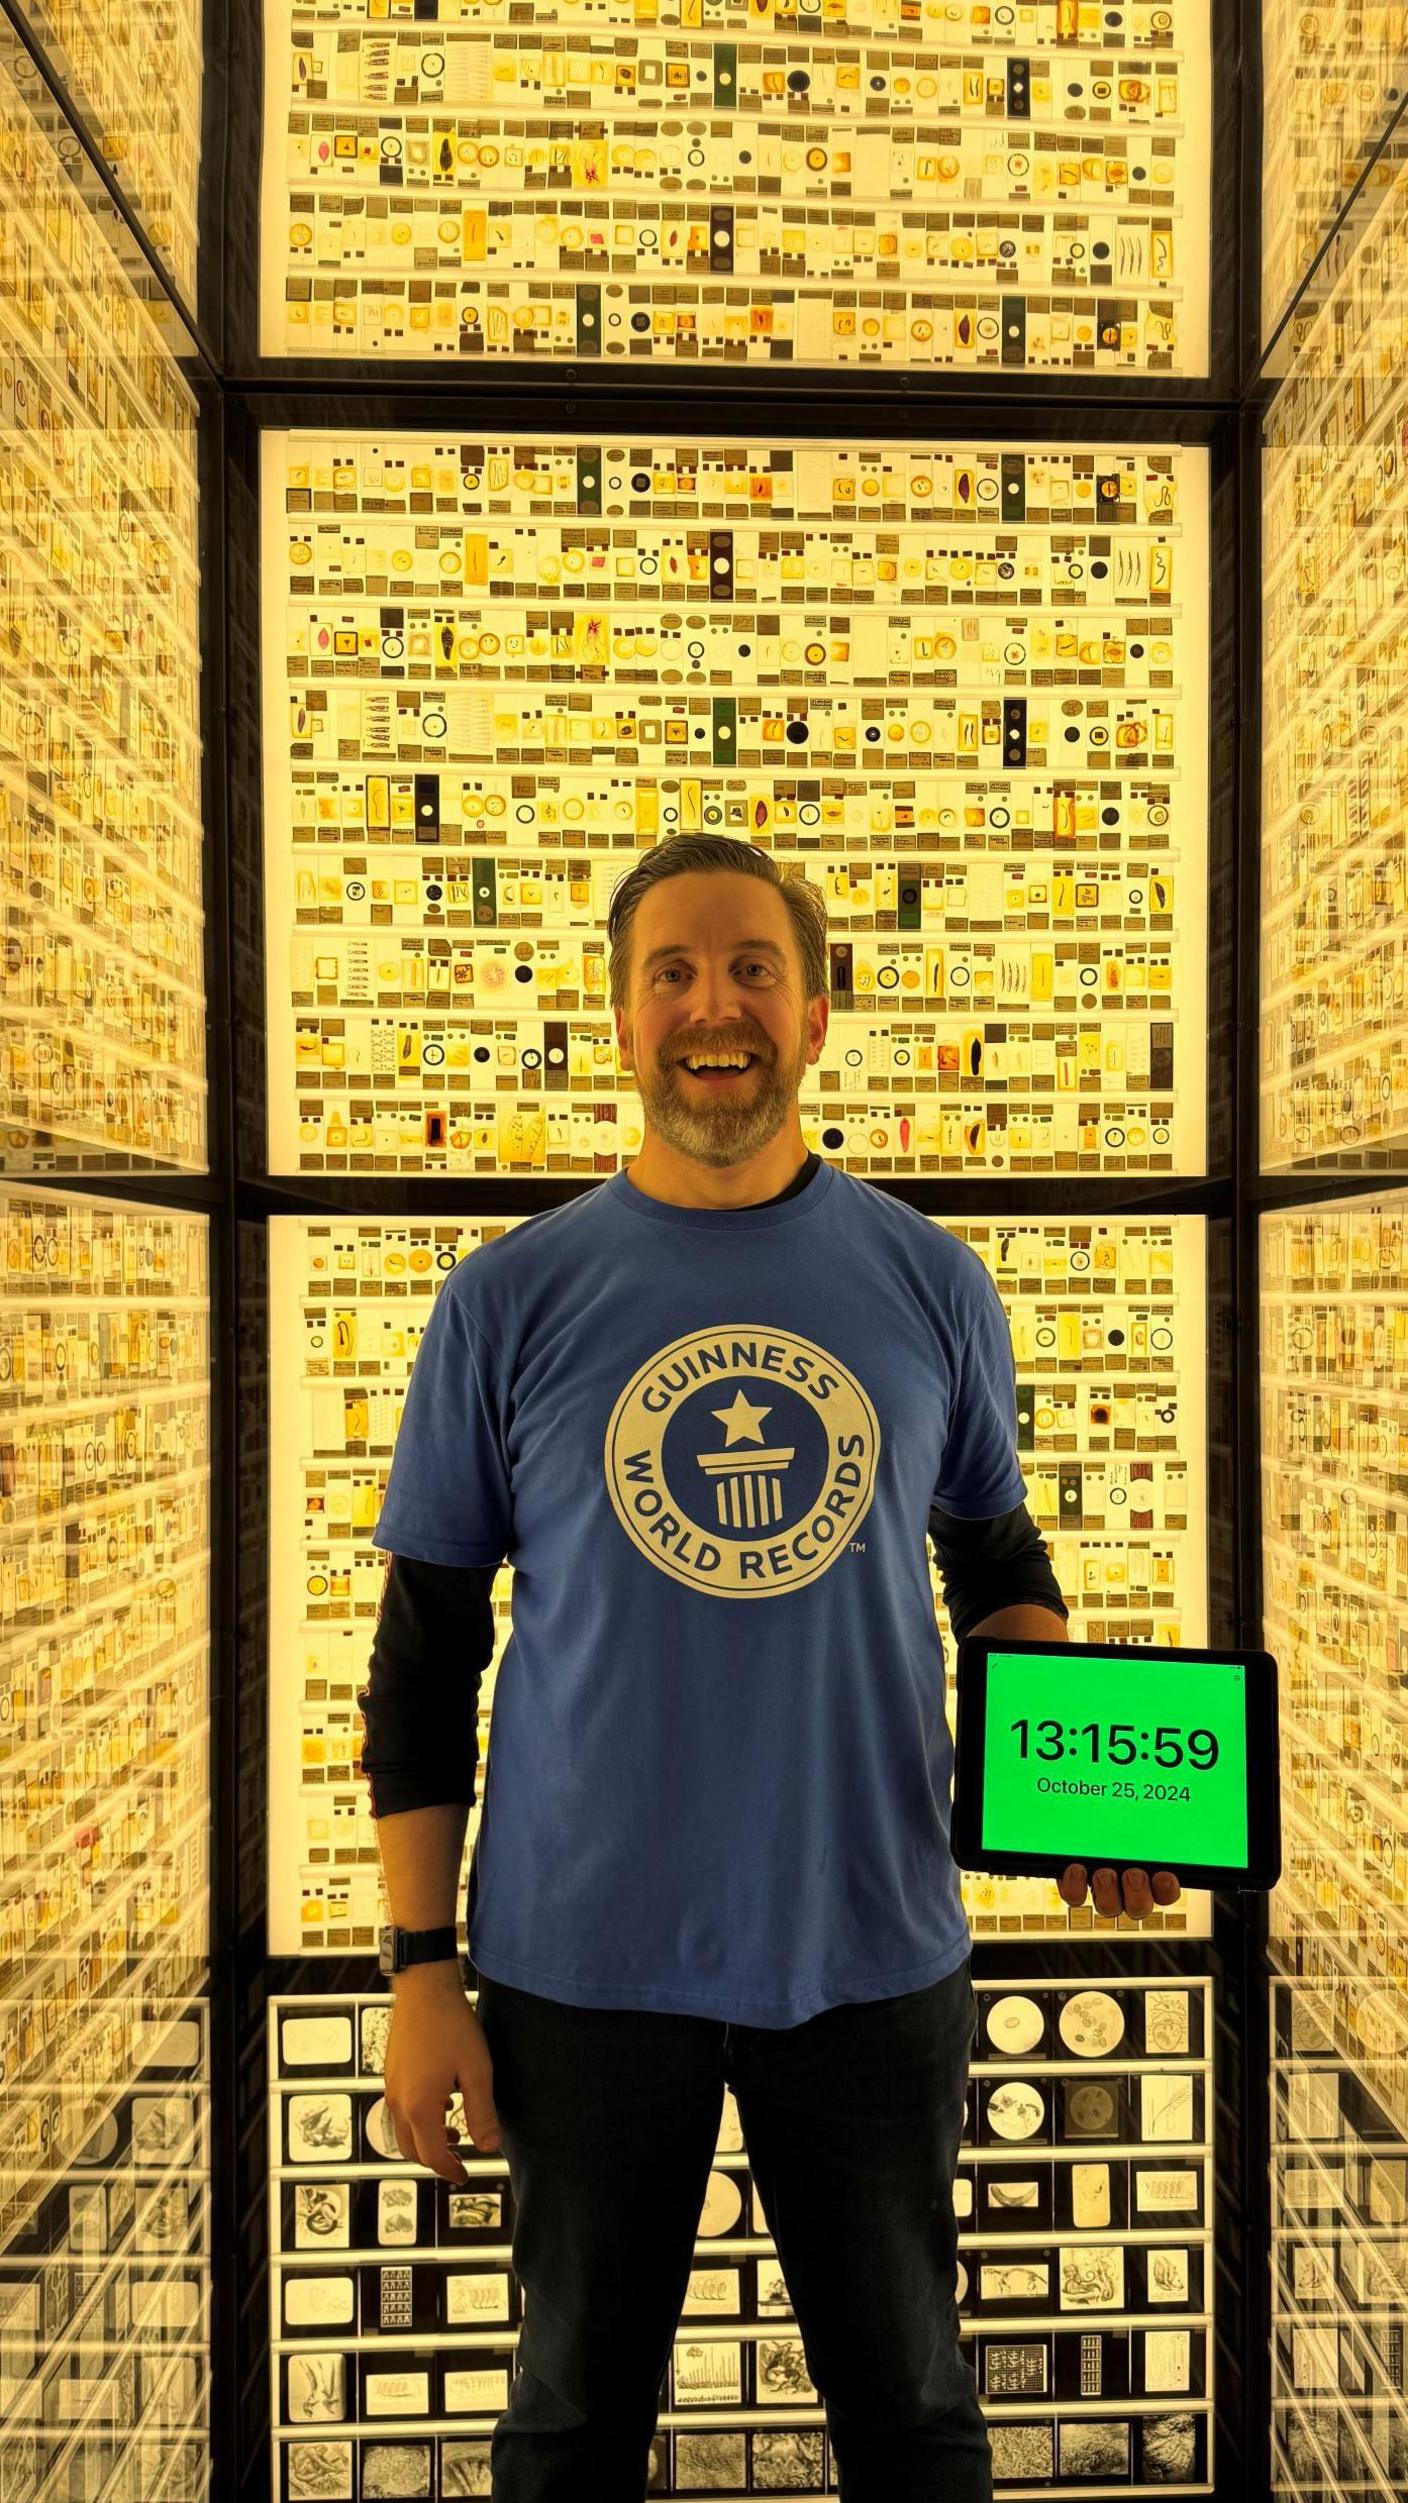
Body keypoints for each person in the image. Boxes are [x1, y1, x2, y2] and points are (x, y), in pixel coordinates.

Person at [359, 836, 1182, 2502]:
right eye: (670, 971)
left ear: (816, 1012)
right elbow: (424, 1659)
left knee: (916, 2414)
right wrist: (418, 1971)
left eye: (749, 969)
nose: (710, 1006)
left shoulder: (933, 1280)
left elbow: (997, 1559)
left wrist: (1079, 1774)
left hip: (870, 1950)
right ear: (619, 1017)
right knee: (570, 2422)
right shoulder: (504, 1299)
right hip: (577, 1967)